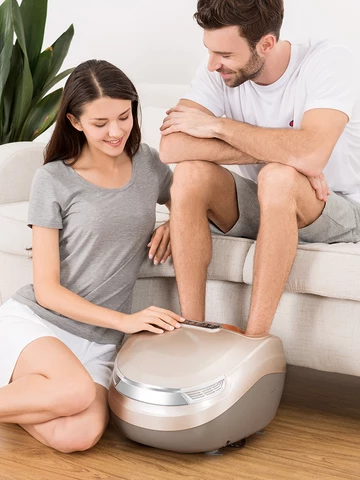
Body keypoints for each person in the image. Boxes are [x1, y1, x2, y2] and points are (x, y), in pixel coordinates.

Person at [0, 59, 184, 453]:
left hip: (98, 342)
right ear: (75, 121)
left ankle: (24, 397)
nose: (116, 131)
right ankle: (38, 390)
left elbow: (189, 195)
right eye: (101, 123)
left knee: (77, 436)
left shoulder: (148, 162)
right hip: (42, 322)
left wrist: (176, 219)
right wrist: (127, 321)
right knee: (73, 391)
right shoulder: (52, 179)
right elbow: (47, 291)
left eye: (124, 116)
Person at [159, 0, 360, 337]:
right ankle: (192, 329)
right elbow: (172, 146)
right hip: (270, 202)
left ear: (266, 44)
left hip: (336, 207)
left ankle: (254, 340)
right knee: (191, 172)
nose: (212, 64)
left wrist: (219, 127)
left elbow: (311, 154)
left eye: (224, 54)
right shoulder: (218, 70)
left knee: (278, 176)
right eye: (210, 51)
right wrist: (283, 150)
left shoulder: (328, 61)